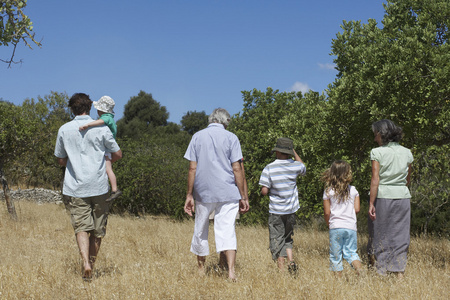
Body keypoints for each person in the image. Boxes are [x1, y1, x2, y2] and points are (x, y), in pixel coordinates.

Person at [55, 93, 122, 280]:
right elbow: (117, 154)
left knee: (81, 228)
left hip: (76, 186)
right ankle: (91, 264)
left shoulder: (64, 129)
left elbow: (61, 160)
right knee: (98, 230)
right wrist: (106, 160)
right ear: (89, 108)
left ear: (72, 109)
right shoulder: (102, 128)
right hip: (100, 186)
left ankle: (85, 262)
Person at [183, 108, 249, 281]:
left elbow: (192, 168)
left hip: (203, 192)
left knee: (200, 230)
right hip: (228, 192)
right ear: (225, 122)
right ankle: (231, 272)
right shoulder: (232, 137)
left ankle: (200, 270)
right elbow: (237, 168)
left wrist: (189, 194)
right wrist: (243, 196)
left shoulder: (197, 136)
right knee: (227, 230)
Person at [368, 119, 413, 277]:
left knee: (381, 234)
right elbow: (408, 179)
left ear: (381, 134)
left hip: (383, 196)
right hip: (403, 196)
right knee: (401, 236)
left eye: (375, 135)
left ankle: (382, 272)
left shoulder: (377, 152)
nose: (375, 139)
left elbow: (375, 180)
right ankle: (399, 273)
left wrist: (371, 203)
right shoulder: (407, 152)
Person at [259, 137, 306, 273]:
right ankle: (291, 261)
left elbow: (264, 191)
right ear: (290, 152)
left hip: (276, 210)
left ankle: (281, 270)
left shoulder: (269, 168)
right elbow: (303, 166)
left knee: (277, 239)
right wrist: (294, 153)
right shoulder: (295, 166)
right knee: (287, 237)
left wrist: (265, 190)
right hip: (291, 210)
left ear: (277, 152)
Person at [322, 160, 362, 276]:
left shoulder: (328, 191)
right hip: (350, 226)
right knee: (351, 253)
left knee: (336, 255)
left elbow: (327, 212)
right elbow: (357, 209)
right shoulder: (353, 190)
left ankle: (338, 283)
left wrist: (328, 223)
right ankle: (359, 271)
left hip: (335, 226)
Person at [79, 95, 122, 202]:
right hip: (109, 148)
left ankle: (114, 189)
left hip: (107, 149)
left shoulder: (106, 118)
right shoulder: (110, 118)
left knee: (108, 169)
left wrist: (88, 125)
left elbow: (101, 122)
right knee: (107, 168)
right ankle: (112, 188)